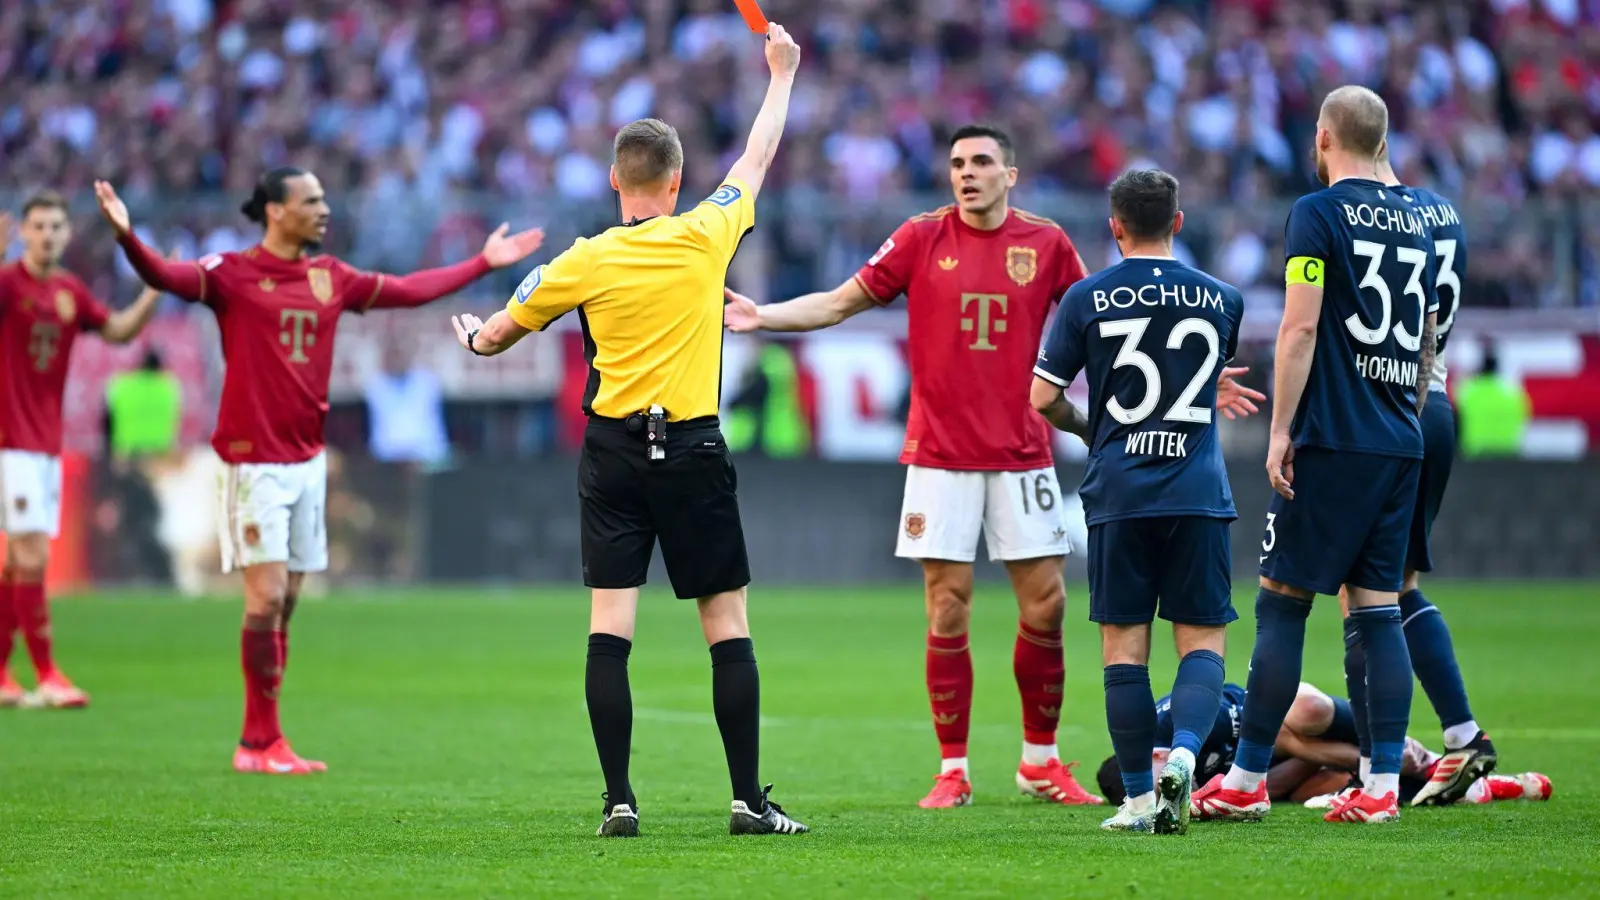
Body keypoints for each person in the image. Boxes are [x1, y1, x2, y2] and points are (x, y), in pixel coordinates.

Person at [449, 23, 808, 838]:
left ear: (616, 178)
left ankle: (619, 799)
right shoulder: (708, 233)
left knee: (609, 630)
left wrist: (472, 335)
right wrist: (780, 75)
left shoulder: (584, 259)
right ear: (678, 180)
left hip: (611, 453)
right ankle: (749, 800)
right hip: (691, 447)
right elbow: (754, 158)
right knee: (726, 622)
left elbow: (500, 335)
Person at [95, 168, 543, 773]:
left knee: (288, 602)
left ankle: (267, 739)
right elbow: (165, 277)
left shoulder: (330, 278)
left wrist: (482, 264)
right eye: (311, 200)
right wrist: (128, 239)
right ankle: (256, 741)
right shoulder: (230, 273)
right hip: (253, 460)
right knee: (266, 597)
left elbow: (409, 290)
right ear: (277, 212)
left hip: (307, 460)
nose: (324, 209)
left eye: (324, 199)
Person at [726, 123, 1106, 810]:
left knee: (1047, 607)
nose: (967, 172)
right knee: (948, 606)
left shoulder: (1046, 245)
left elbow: (1099, 326)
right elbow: (842, 300)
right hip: (940, 455)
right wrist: (765, 315)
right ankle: (953, 769)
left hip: (1024, 452)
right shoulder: (920, 238)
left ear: (1009, 175)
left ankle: (1039, 761)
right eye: (958, 162)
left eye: (982, 161)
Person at [1194, 86, 1437, 826]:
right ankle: (1383, 786)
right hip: (1400, 436)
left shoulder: (1318, 213)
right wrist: (1406, 415)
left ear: (1326, 137)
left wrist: (1279, 433)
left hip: (1333, 439)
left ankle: (1241, 781)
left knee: (1281, 605)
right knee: (1376, 611)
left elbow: (1299, 331)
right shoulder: (1420, 222)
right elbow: (1427, 335)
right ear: (1384, 140)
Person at [1030, 169, 1259, 834]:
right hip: (1196, 491)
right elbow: (1188, 369)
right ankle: (1186, 755)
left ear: (1115, 226)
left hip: (1121, 490)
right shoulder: (1223, 299)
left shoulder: (1084, 297)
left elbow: (1044, 398)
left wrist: (1091, 426)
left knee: (1124, 650)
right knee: (1202, 643)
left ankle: (1136, 798)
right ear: (1179, 222)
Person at [1333, 151, 1497, 810]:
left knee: (1362, 594)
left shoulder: (1366, 215)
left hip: (1384, 412)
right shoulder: (1445, 214)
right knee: (1399, 588)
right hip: (1434, 402)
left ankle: (1375, 771)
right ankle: (1462, 737)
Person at [0, 193, 165, 709]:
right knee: (32, 554)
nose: (47, 234)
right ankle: (47, 674)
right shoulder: (7, 284)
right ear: (23, 232)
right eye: (39, 226)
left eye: (56, 226)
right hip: (9, 441)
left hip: (46, 443)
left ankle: (2, 673)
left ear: (68, 235)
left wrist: (153, 291)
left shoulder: (70, 292)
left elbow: (116, 331)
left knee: (15, 565)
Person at [1092, 681, 1552, 808]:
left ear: (1155, 757)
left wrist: (1359, 757)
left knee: (1304, 711)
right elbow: (1267, 781)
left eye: (1158, 785)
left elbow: (1286, 736)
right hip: (1275, 764)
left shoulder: (1182, 723)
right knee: (1311, 788)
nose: (1171, 791)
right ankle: (1481, 788)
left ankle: (1413, 758)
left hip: (1289, 723)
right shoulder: (1182, 785)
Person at [106, 348, 183, 459]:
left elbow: (107, 419)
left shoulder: (121, 384)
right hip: (159, 452)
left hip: (128, 451)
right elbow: (176, 420)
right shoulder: (170, 386)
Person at [1454, 348, 1530, 457]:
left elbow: (1455, 426)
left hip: (1476, 456)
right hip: (1510, 454)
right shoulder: (1513, 393)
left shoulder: (1466, 391)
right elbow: (1524, 419)